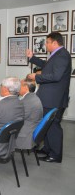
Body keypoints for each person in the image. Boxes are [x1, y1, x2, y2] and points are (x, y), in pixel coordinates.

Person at [26, 32, 71, 163]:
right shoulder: (57, 55)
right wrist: (32, 58)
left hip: (53, 99)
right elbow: (47, 66)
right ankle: (47, 148)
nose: (45, 45)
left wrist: (37, 77)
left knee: (53, 126)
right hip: (49, 98)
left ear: (54, 43)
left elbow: (56, 76)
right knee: (47, 125)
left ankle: (56, 155)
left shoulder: (62, 56)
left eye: (47, 42)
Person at [15, 78, 43, 149]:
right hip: (30, 127)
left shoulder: (27, 101)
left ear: (26, 87)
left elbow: (16, 118)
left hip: (25, 133)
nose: (17, 88)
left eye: (19, 86)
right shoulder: (32, 97)